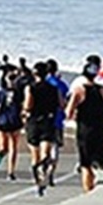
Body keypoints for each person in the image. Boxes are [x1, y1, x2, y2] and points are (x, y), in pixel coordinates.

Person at [66, 55, 103, 193]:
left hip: (85, 129)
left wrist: (74, 115)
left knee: (85, 163)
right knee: (97, 158)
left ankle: (88, 190)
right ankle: (96, 168)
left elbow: (69, 112)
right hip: (101, 129)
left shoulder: (79, 89)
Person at [24, 60, 62, 196]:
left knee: (35, 155)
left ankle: (38, 182)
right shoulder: (54, 89)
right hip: (48, 120)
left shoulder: (31, 88)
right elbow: (61, 104)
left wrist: (25, 111)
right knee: (45, 153)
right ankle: (44, 171)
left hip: (34, 121)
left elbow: (28, 106)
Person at [0, 66, 25, 181]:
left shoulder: (2, 92)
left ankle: (10, 171)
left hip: (6, 120)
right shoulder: (18, 93)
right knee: (8, 148)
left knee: (9, 147)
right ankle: (7, 166)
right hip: (12, 120)